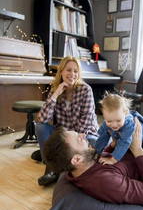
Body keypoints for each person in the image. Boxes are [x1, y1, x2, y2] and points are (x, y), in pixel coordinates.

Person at [44, 111, 143, 205]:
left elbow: (112, 161)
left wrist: (114, 145)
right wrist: (138, 151)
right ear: (76, 160)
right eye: (79, 139)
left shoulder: (87, 159)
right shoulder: (104, 182)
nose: (83, 135)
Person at [32, 56, 99, 186]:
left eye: (75, 71)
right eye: (68, 70)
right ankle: (51, 167)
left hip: (83, 134)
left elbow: (85, 121)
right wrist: (56, 94)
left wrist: (69, 140)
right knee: (40, 127)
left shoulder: (86, 90)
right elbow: (43, 118)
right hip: (63, 133)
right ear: (61, 71)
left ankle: (60, 163)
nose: (72, 74)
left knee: (95, 143)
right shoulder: (55, 89)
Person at [95, 93, 143, 165]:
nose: (114, 125)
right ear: (104, 117)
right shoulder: (107, 123)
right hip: (131, 141)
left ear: (125, 114)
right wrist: (96, 152)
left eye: (118, 120)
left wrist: (113, 159)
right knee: (128, 157)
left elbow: (124, 142)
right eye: (109, 121)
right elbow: (102, 137)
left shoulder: (129, 124)